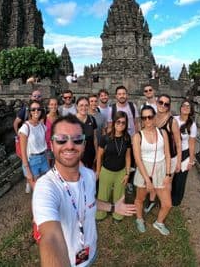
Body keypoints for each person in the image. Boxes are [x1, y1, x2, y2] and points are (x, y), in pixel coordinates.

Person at [32, 114, 136, 267]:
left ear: (84, 145)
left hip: (90, 252)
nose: (70, 145)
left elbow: (90, 201)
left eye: (77, 139)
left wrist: (113, 207)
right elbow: (51, 236)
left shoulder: (89, 175)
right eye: (61, 139)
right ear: (52, 145)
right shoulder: (46, 187)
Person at [133, 105, 172, 235]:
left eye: (150, 117)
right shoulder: (137, 136)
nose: (148, 120)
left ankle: (159, 222)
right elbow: (138, 160)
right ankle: (139, 219)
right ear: (141, 120)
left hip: (161, 170)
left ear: (154, 117)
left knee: (167, 203)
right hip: (145, 171)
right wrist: (147, 181)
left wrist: (168, 174)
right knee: (140, 199)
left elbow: (167, 154)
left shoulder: (163, 133)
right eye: (144, 118)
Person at [144, 94, 182, 213]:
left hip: (170, 157)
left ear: (169, 106)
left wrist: (179, 162)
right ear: (156, 103)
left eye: (166, 104)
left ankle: (165, 202)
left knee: (167, 182)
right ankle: (151, 200)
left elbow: (178, 143)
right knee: (155, 179)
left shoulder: (172, 122)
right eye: (161, 102)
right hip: (158, 156)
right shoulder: (153, 118)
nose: (163, 105)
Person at [96, 111, 131, 222]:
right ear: (114, 122)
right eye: (118, 122)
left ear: (126, 124)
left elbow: (128, 157)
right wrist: (98, 171)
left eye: (123, 123)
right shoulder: (105, 138)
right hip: (106, 171)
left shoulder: (127, 138)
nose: (120, 124)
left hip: (121, 172)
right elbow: (99, 155)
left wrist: (127, 173)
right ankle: (100, 214)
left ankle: (118, 215)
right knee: (103, 194)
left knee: (119, 194)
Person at [13, 90, 44, 193]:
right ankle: (28, 182)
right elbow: (16, 123)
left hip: (38, 145)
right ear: (31, 97)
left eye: (38, 96)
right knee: (27, 162)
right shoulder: (24, 110)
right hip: (27, 142)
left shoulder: (42, 111)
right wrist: (19, 135)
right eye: (34, 96)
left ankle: (31, 182)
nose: (36, 97)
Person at [18, 100, 49, 190]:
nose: (36, 111)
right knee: (37, 190)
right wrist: (27, 170)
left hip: (43, 158)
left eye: (38, 109)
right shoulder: (25, 128)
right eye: (33, 109)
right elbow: (23, 152)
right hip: (32, 161)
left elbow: (43, 144)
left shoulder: (42, 126)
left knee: (45, 184)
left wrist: (47, 160)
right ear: (29, 111)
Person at [172, 100, 197, 206]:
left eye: (188, 106)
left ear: (191, 110)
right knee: (172, 176)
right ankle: (169, 195)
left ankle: (176, 201)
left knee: (180, 179)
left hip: (185, 153)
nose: (185, 107)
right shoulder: (174, 119)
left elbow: (192, 144)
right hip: (173, 151)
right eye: (184, 105)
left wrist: (191, 161)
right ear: (180, 107)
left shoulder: (192, 125)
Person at [76, 97, 98, 170]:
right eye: (81, 105)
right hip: (76, 156)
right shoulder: (72, 121)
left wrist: (97, 153)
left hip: (90, 154)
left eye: (86, 105)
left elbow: (94, 138)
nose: (84, 107)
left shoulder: (92, 119)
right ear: (77, 107)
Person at [45, 98, 60, 167]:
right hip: (47, 148)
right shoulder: (44, 118)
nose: (54, 106)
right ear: (48, 106)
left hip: (57, 146)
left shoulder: (60, 118)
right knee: (48, 169)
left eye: (55, 104)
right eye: (51, 104)